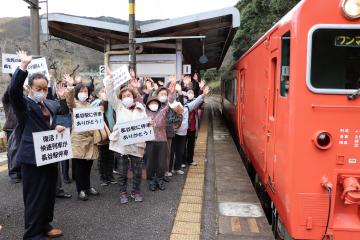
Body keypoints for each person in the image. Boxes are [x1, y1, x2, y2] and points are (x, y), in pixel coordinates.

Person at [9, 51, 64, 239]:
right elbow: (13, 92)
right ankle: (33, 234)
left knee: (48, 194)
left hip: (49, 156)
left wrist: (55, 127)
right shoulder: (24, 105)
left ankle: (45, 225)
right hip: (32, 159)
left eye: (45, 88)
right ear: (30, 89)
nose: (42, 91)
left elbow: (46, 125)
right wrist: (23, 67)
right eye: (38, 88)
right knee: (34, 197)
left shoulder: (48, 105)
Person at [104, 68, 148, 204]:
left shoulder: (141, 108)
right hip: (121, 143)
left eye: (129, 95)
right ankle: (122, 192)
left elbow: (145, 124)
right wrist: (110, 81)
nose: (126, 98)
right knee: (122, 170)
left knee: (137, 170)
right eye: (123, 96)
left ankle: (136, 191)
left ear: (134, 97)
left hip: (137, 143)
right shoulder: (118, 106)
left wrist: (149, 124)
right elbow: (110, 94)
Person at [63, 74, 100, 201]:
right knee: (79, 167)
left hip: (90, 139)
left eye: (86, 91)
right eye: (81, 91)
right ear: (77, 92)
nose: (84, 93)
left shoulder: (90, 105)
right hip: (78, 139)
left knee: (88, 166)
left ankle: (88, 187)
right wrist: (70, 86)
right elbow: (69, 99)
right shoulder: (75, 104)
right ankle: (81, 190)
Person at [170, 86, 210, 174]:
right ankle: (170, 168)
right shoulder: (173, 108)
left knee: (182, 149)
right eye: (180, 99)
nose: (181, 102)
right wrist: (174, 91)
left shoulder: (187, 107)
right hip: (174, 133)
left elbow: (198, 100)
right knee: (174, 150)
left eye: (192, 93)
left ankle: (178, 166)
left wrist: (203, 93)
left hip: (186, 131)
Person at [91, 83, 117, 186]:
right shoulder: (95, 103)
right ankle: (103, 178)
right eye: (102, 91)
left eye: (105, 91)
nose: (104, 93)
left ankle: (110, 176)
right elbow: (100, 109)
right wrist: (104, 100)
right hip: (101, 133)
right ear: (97, 94)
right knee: (102, 157)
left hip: (110, 132)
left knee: (110, 156)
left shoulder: (110, 102)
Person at [2, 82, 22, 183]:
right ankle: (14, 173)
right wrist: (14, 81)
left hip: (22, 127)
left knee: (20, 150)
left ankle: (20, 171)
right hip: (11, 128)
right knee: (13, 150)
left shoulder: (21, 100)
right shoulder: (7, 101)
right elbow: (6, 94)